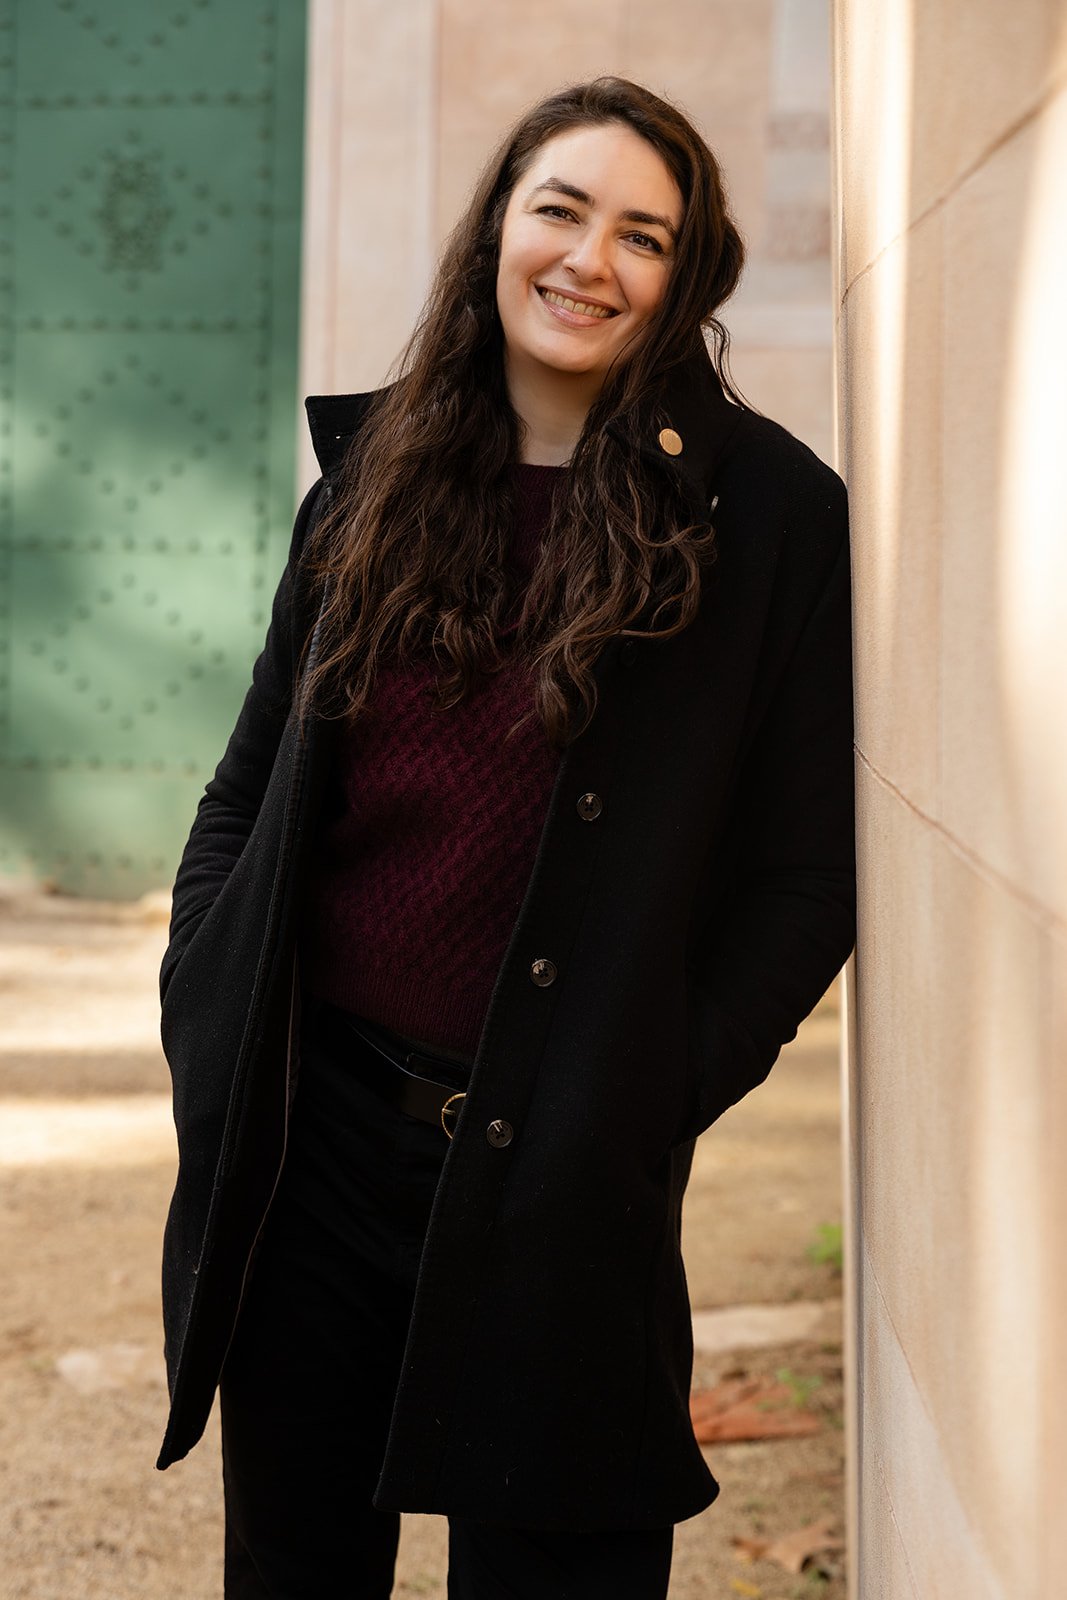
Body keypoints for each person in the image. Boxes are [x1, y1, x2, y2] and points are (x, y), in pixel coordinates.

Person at [156, 76, 856, 1599]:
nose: (589, 259)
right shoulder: (372, 484)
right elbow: (246, 790)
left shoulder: (772, 522)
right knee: (294, 1569)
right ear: (496, 229)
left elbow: (813, 872)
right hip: (316, 1147)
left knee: (564, 1569)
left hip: (563, 1164)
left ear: (687, 278)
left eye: (644, 235)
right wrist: (203, 997)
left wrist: (659, 1082)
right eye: (560, 208)